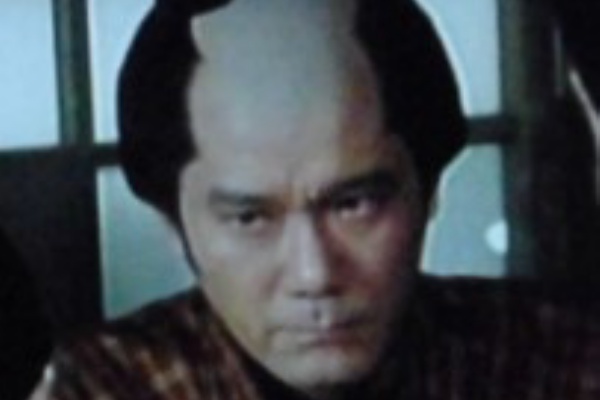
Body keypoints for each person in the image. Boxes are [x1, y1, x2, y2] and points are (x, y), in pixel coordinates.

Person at [42, 0, 600, 399]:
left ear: (428, 190)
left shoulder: (554, 361)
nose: (314, 275)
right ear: (173, 224)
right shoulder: (104, 387)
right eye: (249, 218)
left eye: (355, 204)